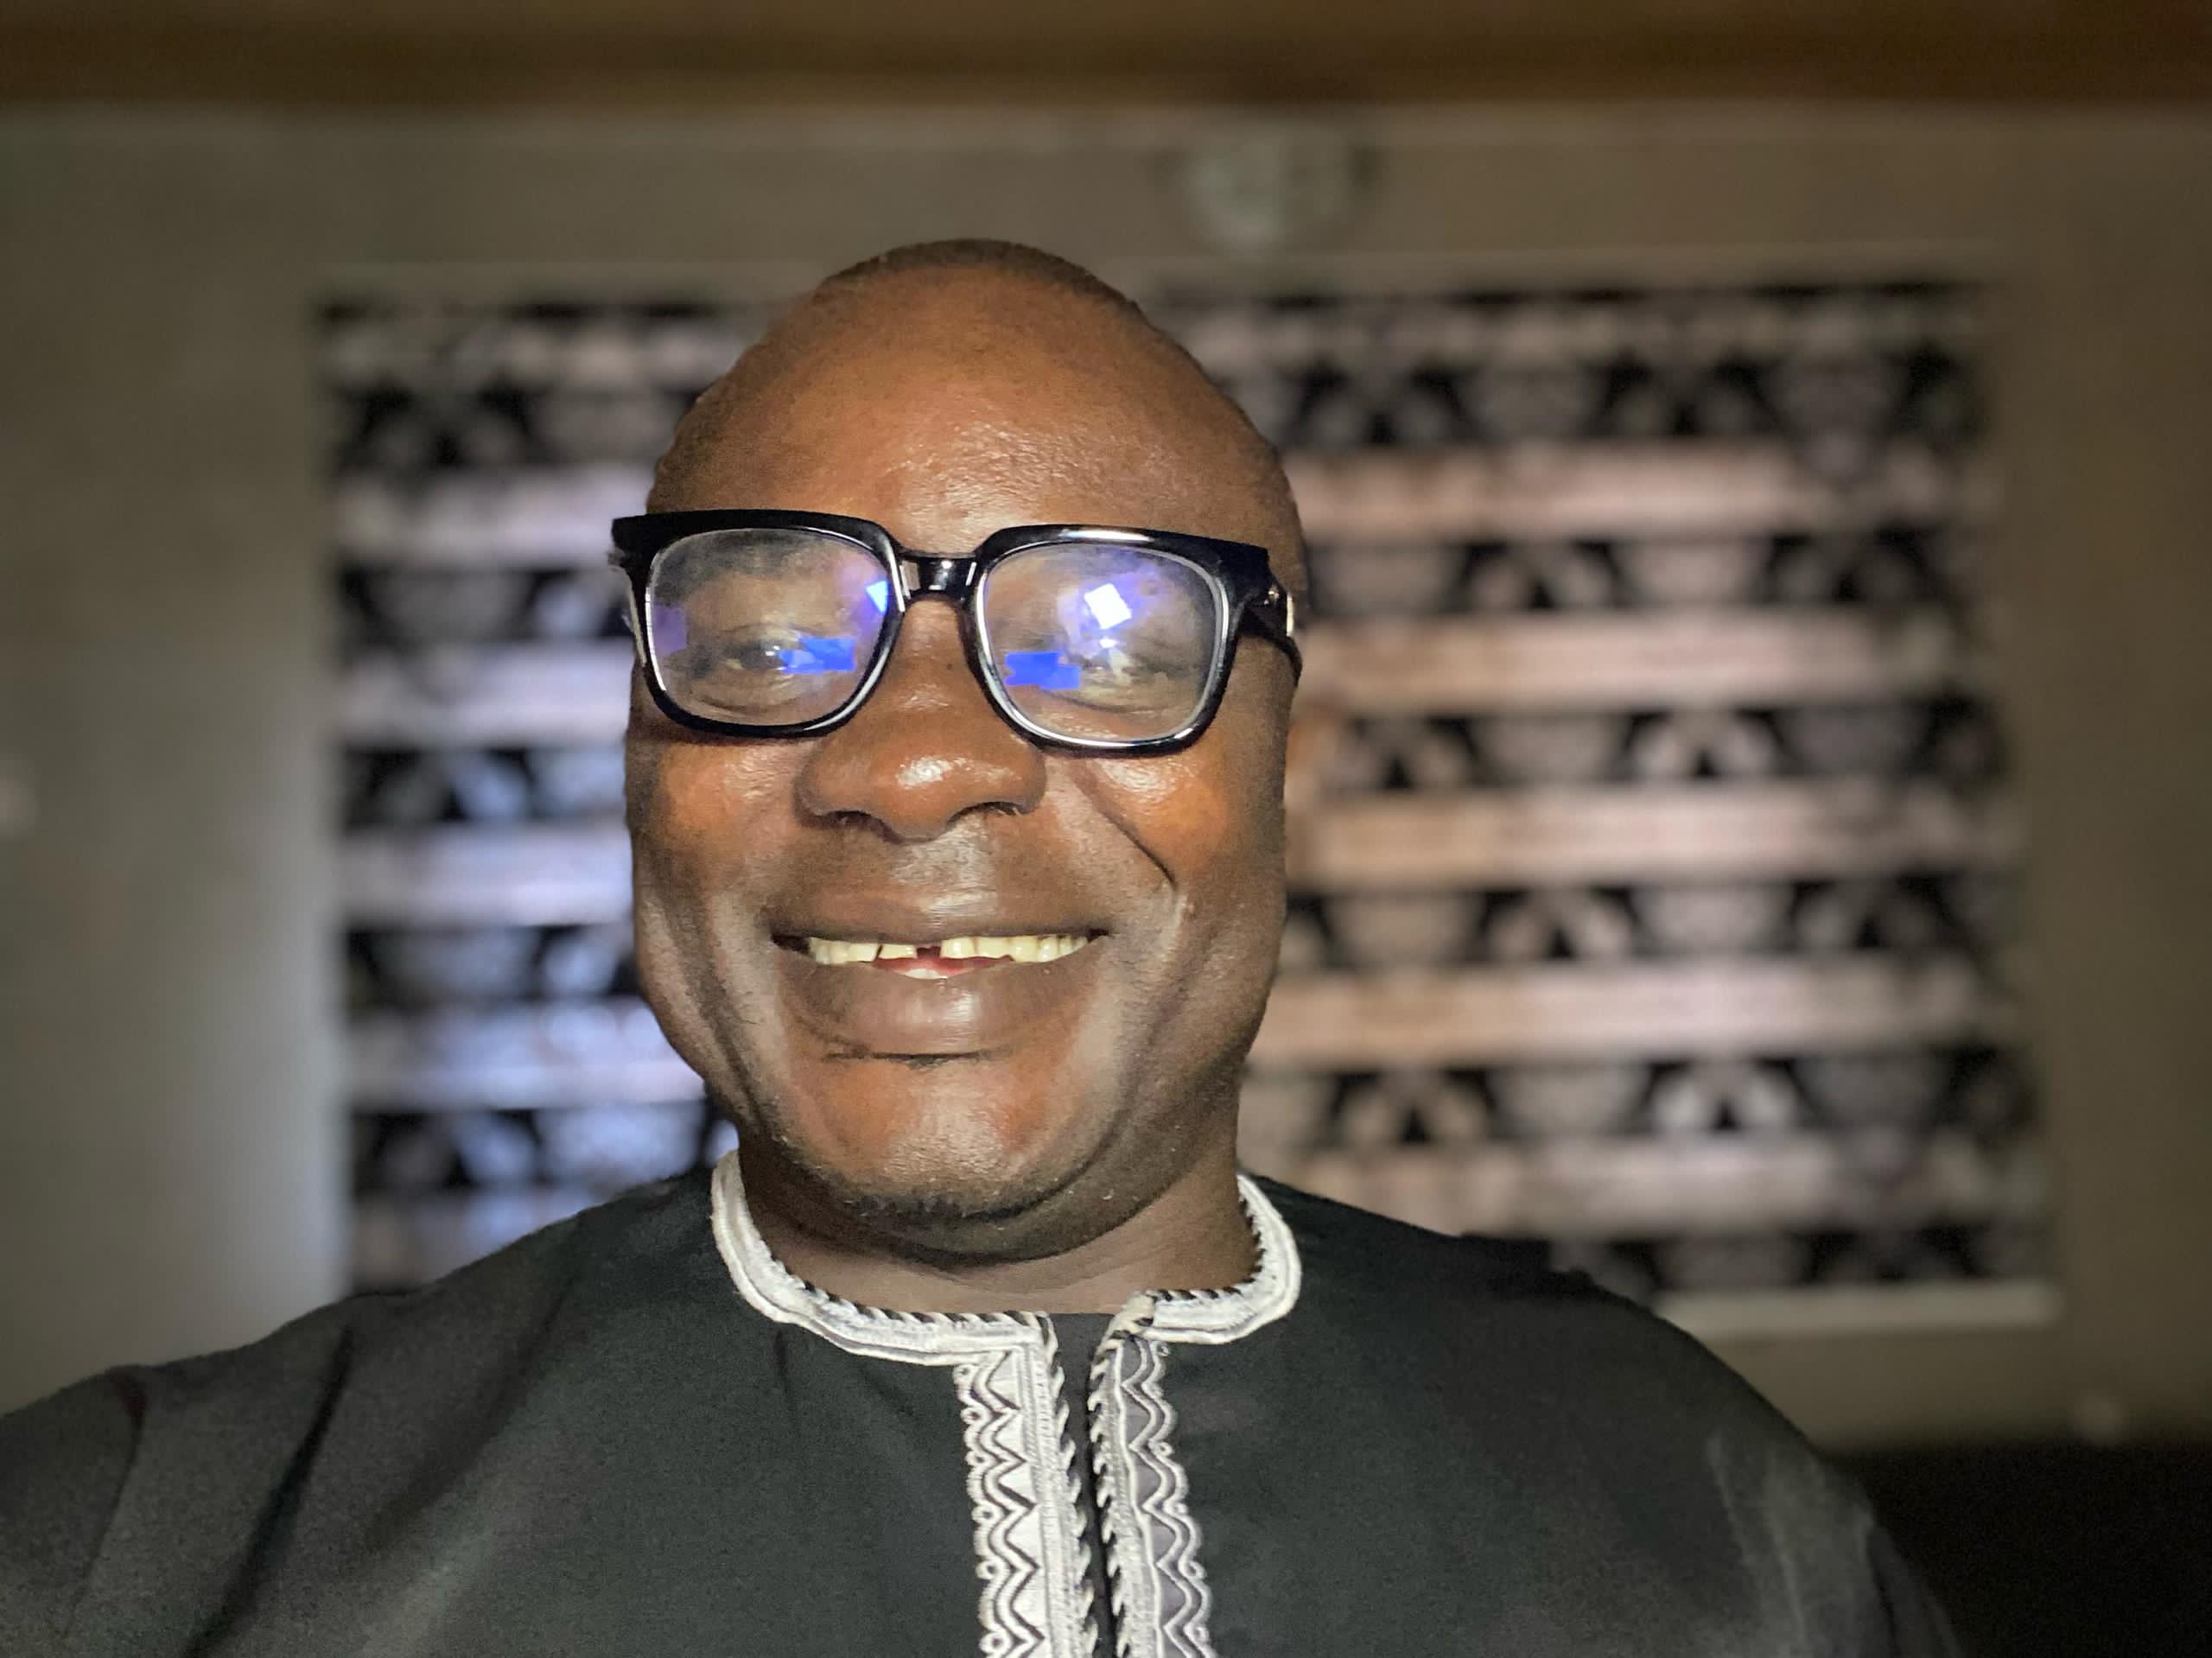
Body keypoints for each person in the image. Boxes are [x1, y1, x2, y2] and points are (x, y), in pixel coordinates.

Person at [0, 240, 1956, 1656]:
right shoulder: (128, 1558)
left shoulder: (1724, 1530)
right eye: (767, 641)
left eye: (1104, 640)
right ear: (636, 760)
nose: (914, 765)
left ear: (1296, 771)